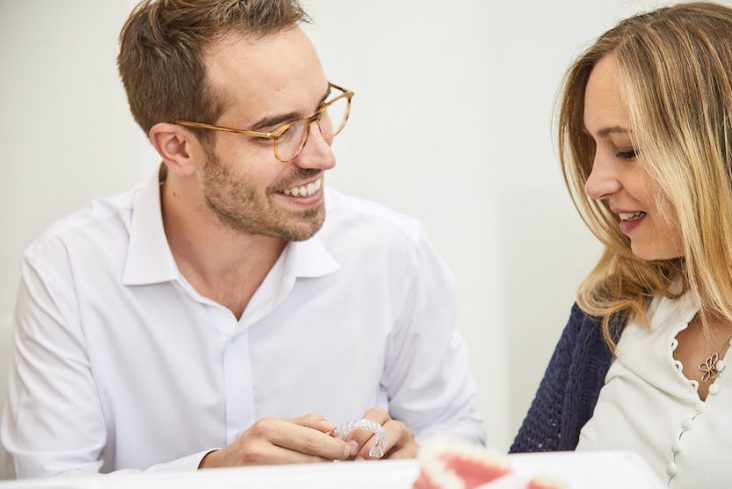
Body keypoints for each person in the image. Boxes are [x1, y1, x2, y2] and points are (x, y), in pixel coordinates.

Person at [0, 0, 484, 478]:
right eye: (277, 130)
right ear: (177, 147)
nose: (321, 155)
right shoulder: (67, 272)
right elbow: (51, 481)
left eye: (321, 111)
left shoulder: (391, 252)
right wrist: (208, 473)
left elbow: (458, 438)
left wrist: (418, 459)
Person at [510, 2, 732, 488]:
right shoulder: (608, 313)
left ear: (717, 150)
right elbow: (525, 476)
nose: (595, 183)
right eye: (594, 149)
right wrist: (413, 467)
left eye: (627, 150)